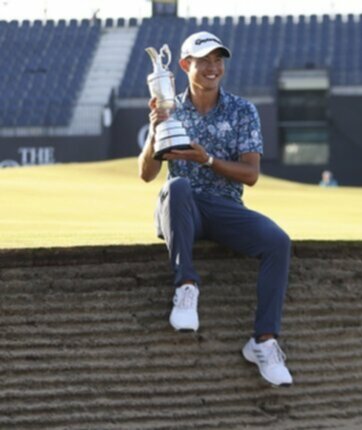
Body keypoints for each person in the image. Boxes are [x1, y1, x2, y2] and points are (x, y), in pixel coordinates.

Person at [138, 31, 293, 387]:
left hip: (224, 208)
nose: (213, 67)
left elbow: (251, 175)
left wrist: (205, 158)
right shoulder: (168, 107)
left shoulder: (242, 111)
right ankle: (186, 287)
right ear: (184, 65)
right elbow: (147, 175)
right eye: (204, 60)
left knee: (278, 242)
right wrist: (152, 132)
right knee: (176, 186)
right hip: (181, 209)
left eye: (217, 60)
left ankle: (263, 341)